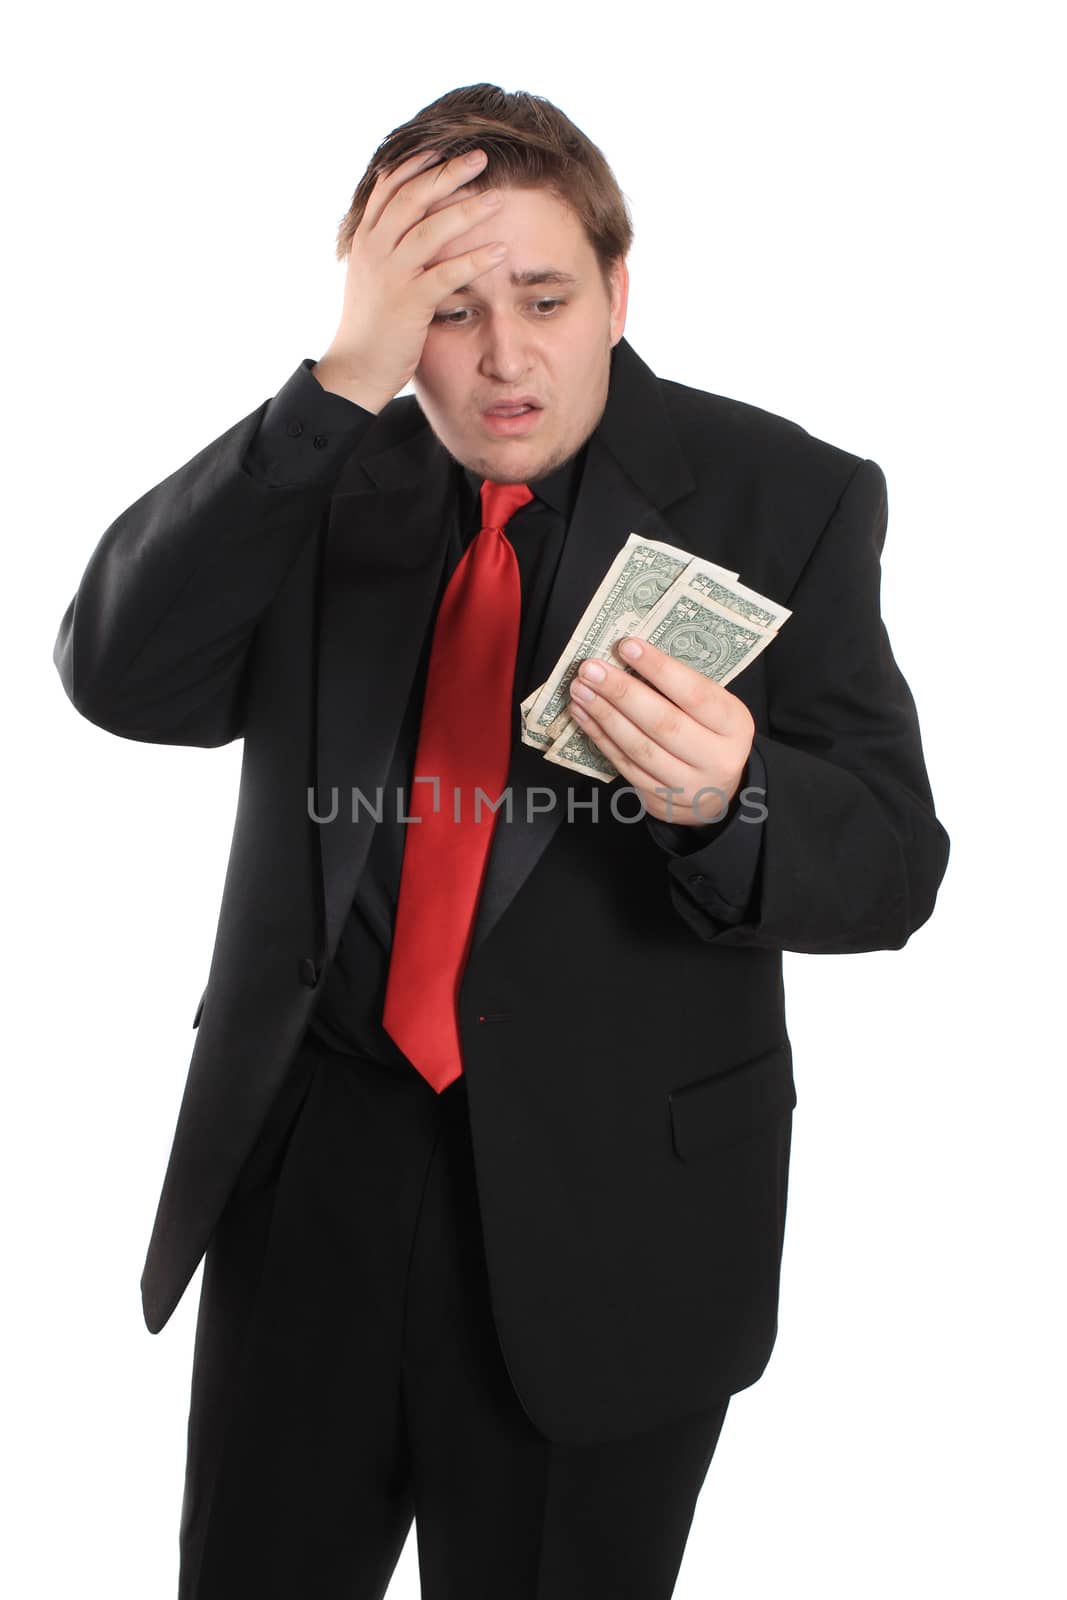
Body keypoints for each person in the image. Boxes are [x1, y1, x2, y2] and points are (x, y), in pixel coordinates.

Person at [52, 81, 950, 1600]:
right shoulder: (323, 477)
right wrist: (337, 383)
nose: (505, 356)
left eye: (542, 295)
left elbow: (894, 864)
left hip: (616, 1218)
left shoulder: (783, 497)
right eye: (448, 310)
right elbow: (120, 675)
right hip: (311, 1175)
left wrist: (734, 796)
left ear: (617, 288)